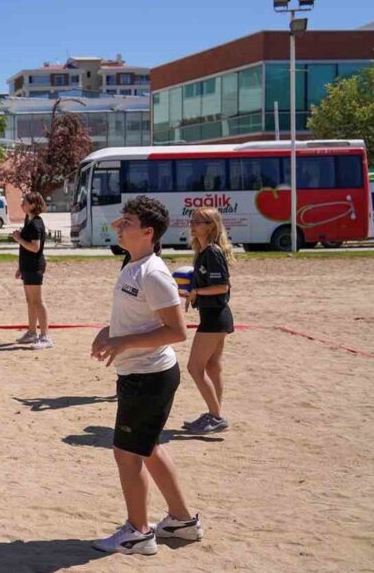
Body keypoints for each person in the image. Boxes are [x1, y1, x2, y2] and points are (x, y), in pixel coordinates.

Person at [90, 196, 203, 555]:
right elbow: (139, 317)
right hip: (141, 373)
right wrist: (109, 331)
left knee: (127, 453)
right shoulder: (133, 263)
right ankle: (183, 521)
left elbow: (176, 331)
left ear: (148, 232)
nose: (119, 226)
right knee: (148, 447)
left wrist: (122, 342)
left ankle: (138, 533)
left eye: (127, 222)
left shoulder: (154, 273)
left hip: (149, 376)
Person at [181, 206, 234, 434]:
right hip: (214, 315)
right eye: (192, 221)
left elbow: (222, 286)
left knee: (194, 367)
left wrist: (196, 293)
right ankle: (215, 414)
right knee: (213, 366)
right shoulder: (203, 251)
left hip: (215, 316)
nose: (192, 225)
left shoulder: (212, 252)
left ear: (211, 226)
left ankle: (215, 416)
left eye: (198, 222)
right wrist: (192, 293)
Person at [13, 193, 51, 349]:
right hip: (27, 266)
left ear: (33, 205)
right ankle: (31, 332)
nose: (22, 204)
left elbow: (34, 248)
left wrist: (18, 238)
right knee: (30, 301)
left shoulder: (36, 224)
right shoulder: (28, 221)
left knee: (38, 301)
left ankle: (45, 337)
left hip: (35, 266)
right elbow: (27, 249)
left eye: (25, 202)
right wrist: (20, 267)